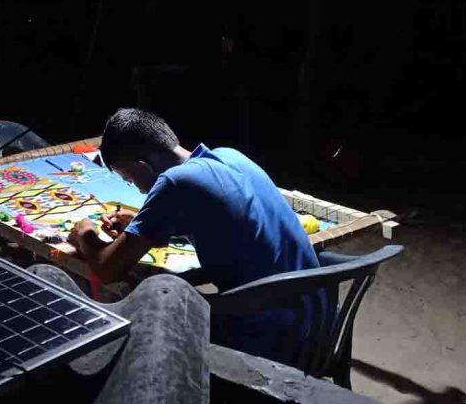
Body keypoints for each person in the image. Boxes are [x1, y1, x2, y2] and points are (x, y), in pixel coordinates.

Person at [67, 107, 322, 363]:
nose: (134, 187)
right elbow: (221, 218)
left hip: (267, 335)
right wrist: (141, 224)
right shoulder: (230, 156)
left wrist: (84, 234)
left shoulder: (174, 183)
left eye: (129, 179)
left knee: (137, 307)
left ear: (142, 167)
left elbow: (107, 268)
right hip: (314, 319)